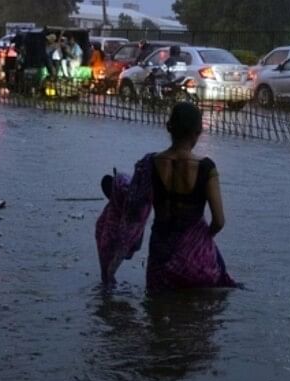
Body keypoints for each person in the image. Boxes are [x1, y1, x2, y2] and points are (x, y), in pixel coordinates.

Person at [96, 102, 240, 290]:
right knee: (203, 314)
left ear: (169, 128)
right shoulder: (206, 167)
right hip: (198, 264)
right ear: (198, 132)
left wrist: (117, 188)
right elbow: (219, 221)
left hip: (161, 260)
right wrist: (202, 238)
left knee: (157, 312)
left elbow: (134, 207)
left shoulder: (150, 163)